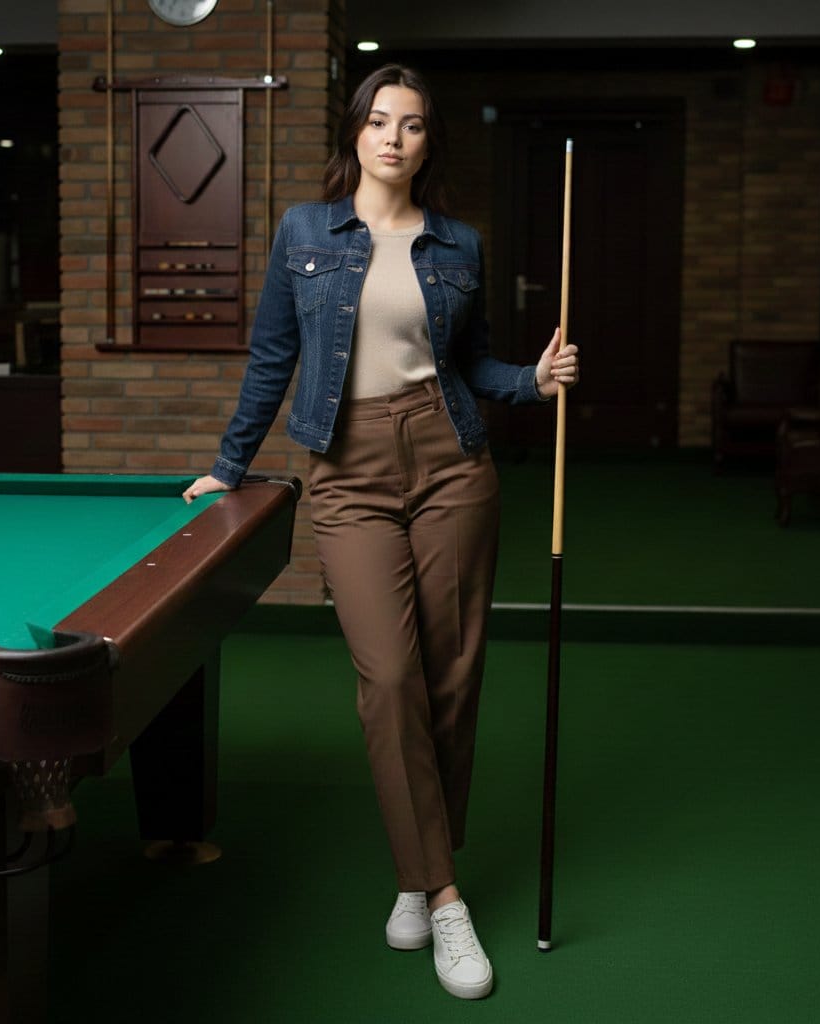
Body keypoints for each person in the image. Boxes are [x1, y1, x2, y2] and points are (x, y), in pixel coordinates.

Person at [183, 63, 578, 1000]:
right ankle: (446, 897)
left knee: (448, 677)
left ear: (428, 143)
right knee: (389, 675)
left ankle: (414, 875)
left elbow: (471, 362)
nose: (395, 137)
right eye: (380, 121)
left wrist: (534, 379)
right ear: (355, 133)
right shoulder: (304, 233)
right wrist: (231, 464)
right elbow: (274, 354)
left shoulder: (458, 245)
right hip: (345, 466)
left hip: (451, 461)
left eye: (413, 125)